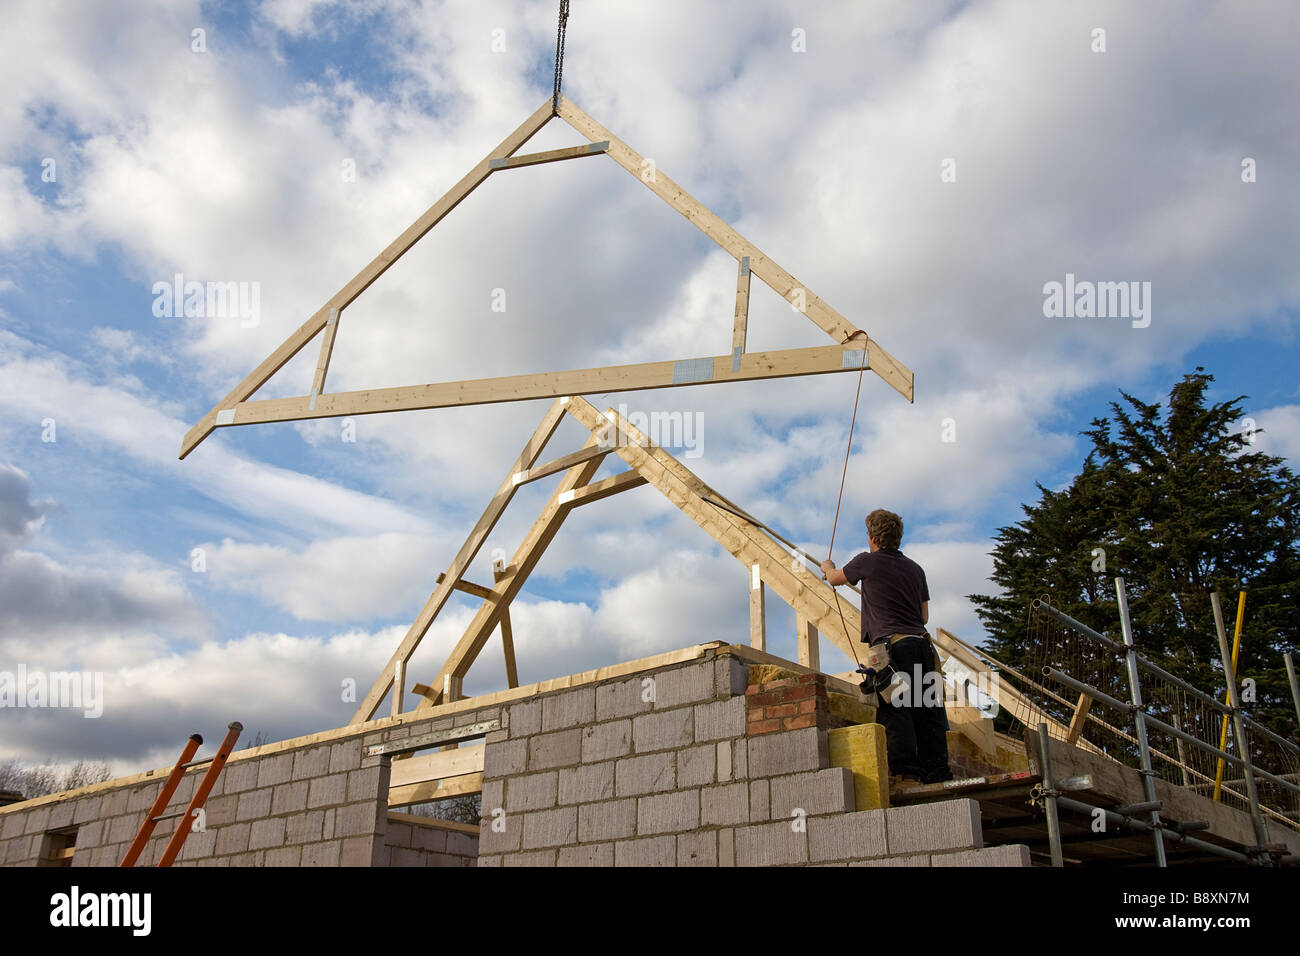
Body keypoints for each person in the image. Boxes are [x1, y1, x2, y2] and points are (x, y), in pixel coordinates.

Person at [821, 509, 952, 785]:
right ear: (898, 537)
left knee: (897, 709)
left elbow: (834, 578)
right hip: (922, 648)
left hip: (892, 652)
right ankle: (938, 774)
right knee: (929, 711)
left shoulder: (867, 562)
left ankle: (906, 775)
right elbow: (924, 617)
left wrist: (826, 566)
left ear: (871, 537)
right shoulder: (916, 569)